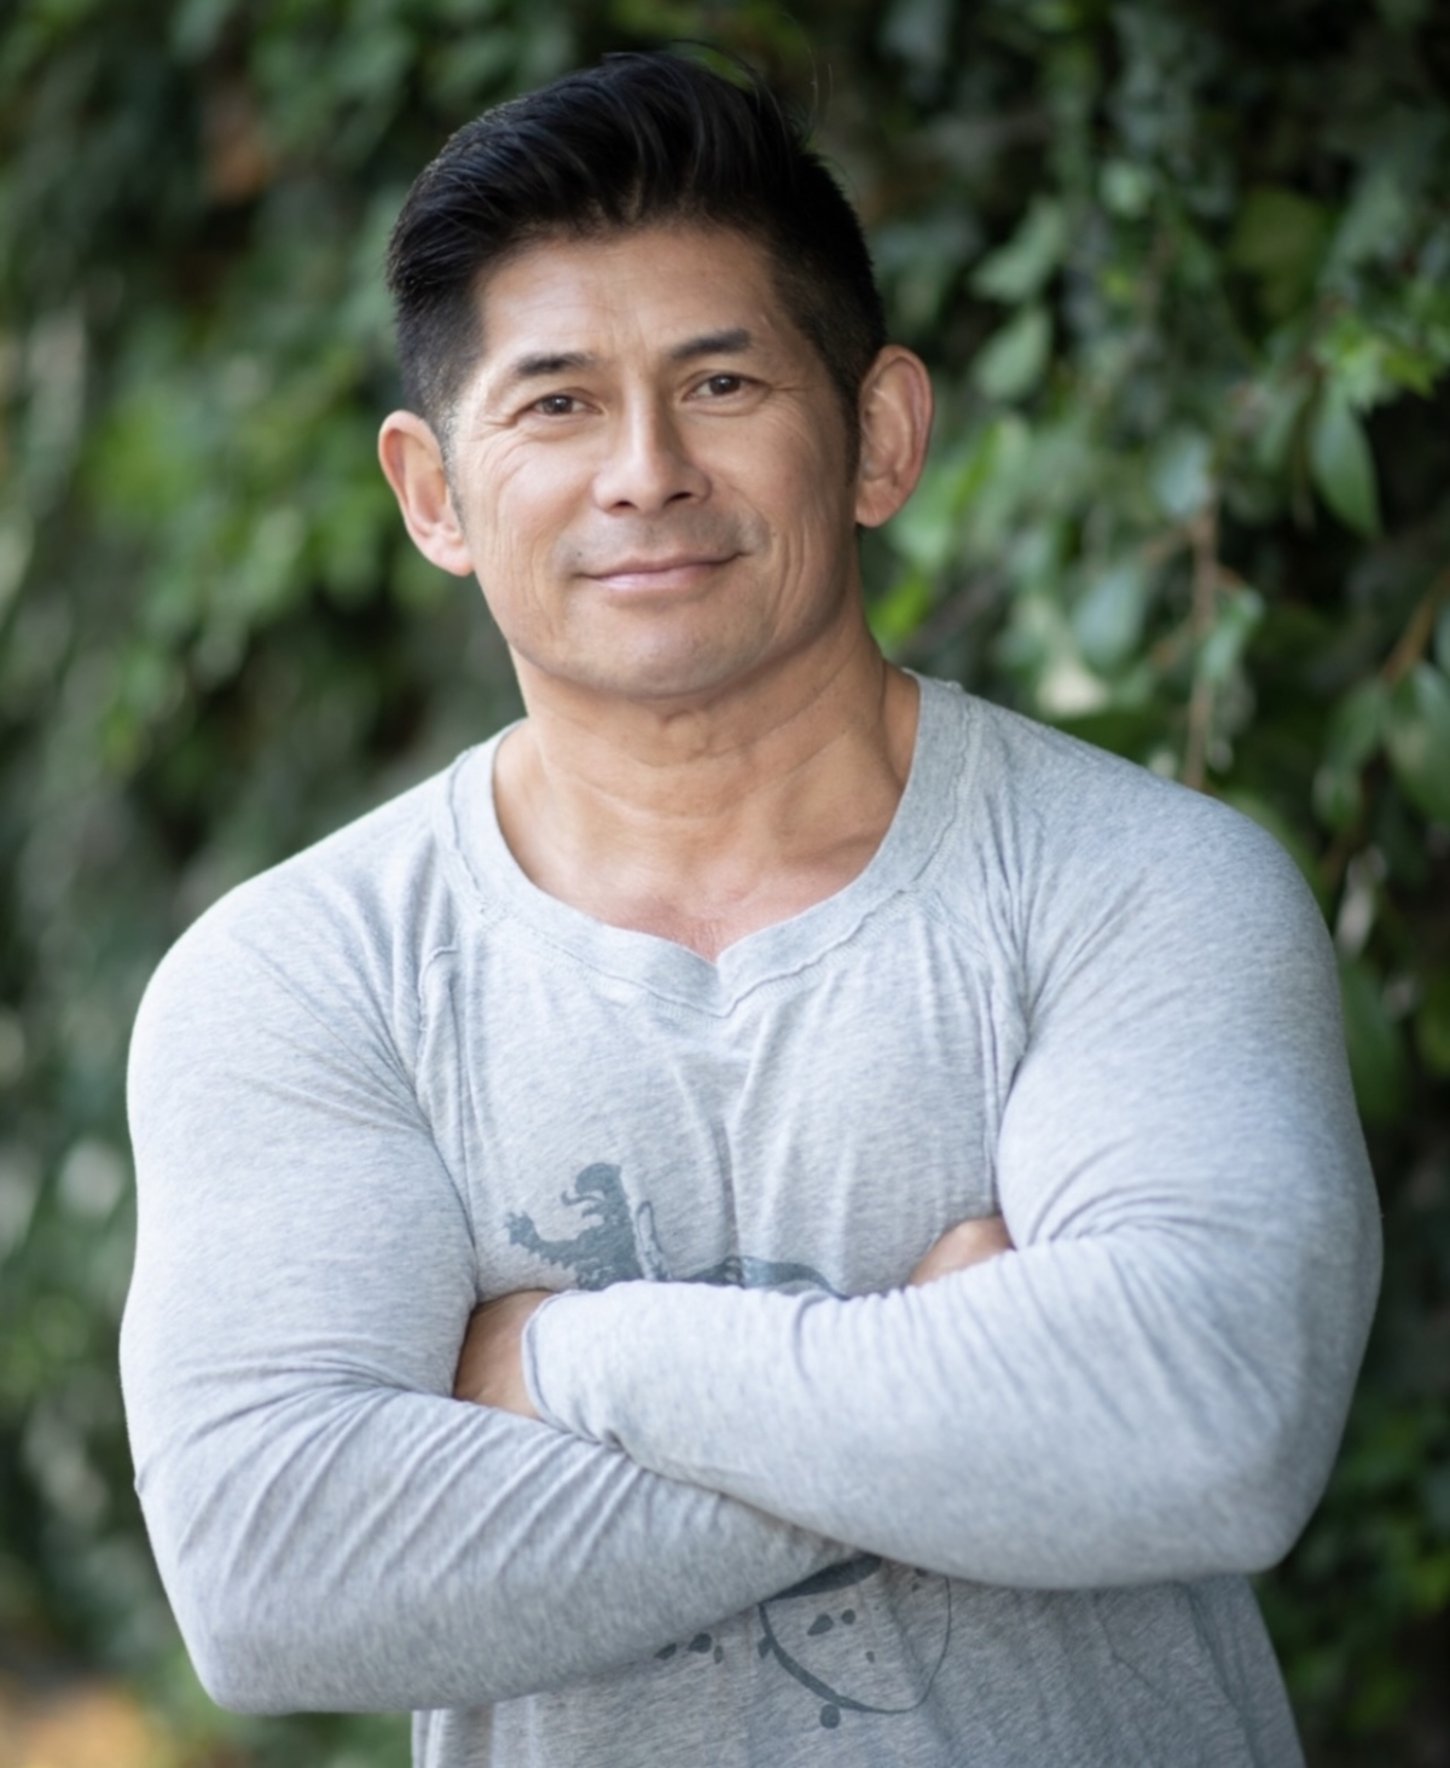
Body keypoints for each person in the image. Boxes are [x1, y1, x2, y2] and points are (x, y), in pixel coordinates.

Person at [120, 49, 1382, 1768]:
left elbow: (1203, 1428)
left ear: (877, 435)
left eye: (718, 382)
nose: (644, 470)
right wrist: (952, 1384)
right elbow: (278, 1582)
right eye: (556, 404)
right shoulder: (306, 980)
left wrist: (574, 1363)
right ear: (431, 494)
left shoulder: (1137, 889)